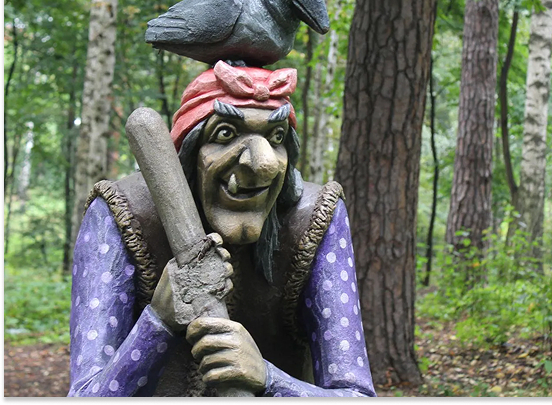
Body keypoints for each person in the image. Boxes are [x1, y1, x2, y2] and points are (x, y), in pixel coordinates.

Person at [67, 61, 377, 397]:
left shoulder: (314, 217)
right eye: (226, 134)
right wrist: (157, 323)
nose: (262, 164)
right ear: (189, 150)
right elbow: (85, 397)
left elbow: (356, 396)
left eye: (276, 137)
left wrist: (270, 379)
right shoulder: (121, 213)